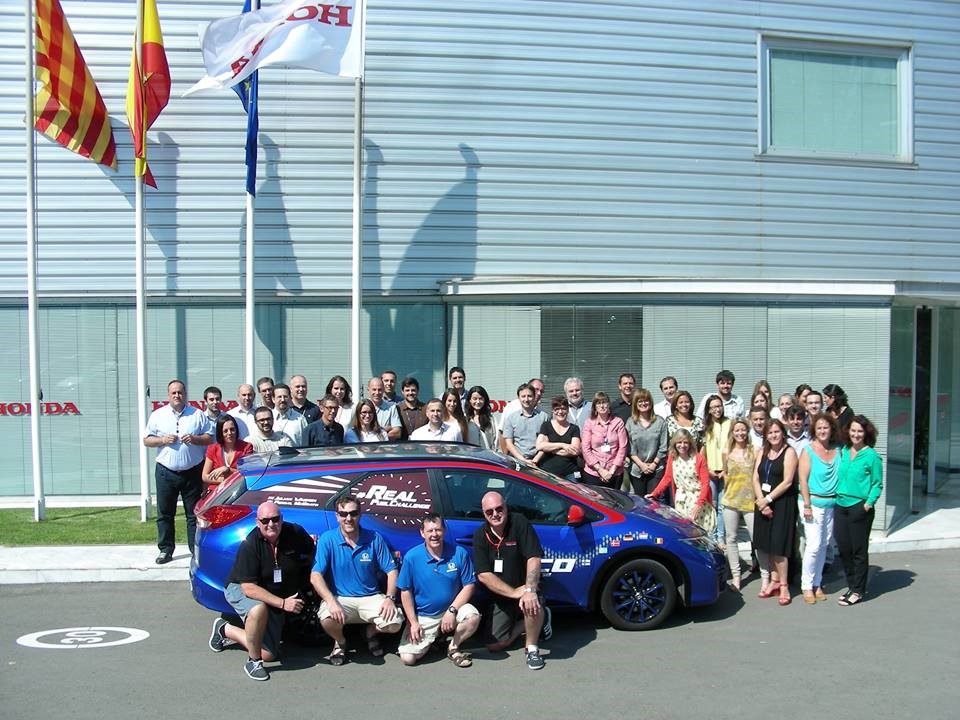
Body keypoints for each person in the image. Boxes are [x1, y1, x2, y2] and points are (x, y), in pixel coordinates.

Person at [209, 502, 314, 681]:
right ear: (258, 522)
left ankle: (225, 629)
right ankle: (253, 661)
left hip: (270, 590)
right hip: (241, 587)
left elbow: (312, 550)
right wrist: (283, 603)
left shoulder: (295, 533)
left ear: (282, 519)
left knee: (269, 654)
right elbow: (248, 588)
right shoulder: (250, 545)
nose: (271, 524)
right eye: (265, 520)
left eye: (275, 519)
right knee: (258, 609)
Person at [310, 495, 403, 665]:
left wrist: (390, 598)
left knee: (395, 622)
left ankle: (370, 633)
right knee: (326, 619)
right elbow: (315, 576)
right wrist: (330, 601)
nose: (348, 518)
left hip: (371, 597)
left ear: (360, 514)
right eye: (343, 514)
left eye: (353, 513)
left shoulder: (374, 538)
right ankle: (340, 642)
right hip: (340, 599)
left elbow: (392, 571)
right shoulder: (327, 539)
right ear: (337, 516)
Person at [473, 491, 551, 670]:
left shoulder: (519, 522)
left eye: (499, 509)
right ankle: (541, 618)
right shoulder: (480, 536)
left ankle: (532, 649)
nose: (495, 514)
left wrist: (530, 590)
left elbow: (534, 557)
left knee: (531, 602)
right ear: (484, 514)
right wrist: (514, 593)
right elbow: (483, 574)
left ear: (506, 507)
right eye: (489, 511)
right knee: (495, 645)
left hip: (527, 588)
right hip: (503, 596)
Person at [143, 379, 214, 564]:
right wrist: (162, 440)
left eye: (180, 392)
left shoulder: (197, 415)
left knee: (193, 514)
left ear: (185, 394)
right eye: (173, 393)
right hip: (166, 472)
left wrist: (195, 439)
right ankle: (166, 550)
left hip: (192, 472)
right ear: (168, 395)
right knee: (165, 513)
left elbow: (209, 438)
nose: (177, 396)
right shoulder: (158, 415)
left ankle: (194, 550)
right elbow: (147, 440)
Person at [397, 513, 480, 668]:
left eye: (438, 530)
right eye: (430, 531)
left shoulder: (459, 553)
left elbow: (469, 585)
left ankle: (453, 647)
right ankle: (436, 638)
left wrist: (452, 610)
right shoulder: (412, 557)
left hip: (453, 610)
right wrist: (413, 623)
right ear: (422, 533)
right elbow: (405, 591)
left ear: (444, 531)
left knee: (473, 617)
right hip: (425, 615)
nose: (434, 534)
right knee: (408, 659)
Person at [834, 415, 883, 607]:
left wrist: (868, 503)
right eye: (853, 430)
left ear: (866, 433)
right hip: (841, 505)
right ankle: (851, 585)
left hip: (859, 508)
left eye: (860, 431)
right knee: (845, 549)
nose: (856, 434)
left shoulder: (871, 456)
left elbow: (877, 484)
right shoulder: (845, 451)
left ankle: (858, 590)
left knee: (858, 551)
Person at [752, 419, 799, 606]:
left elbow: (787, 481)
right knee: (767, 545)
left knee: (779, 547)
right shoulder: (762, 451)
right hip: (763, 503)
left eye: (776, 432)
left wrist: (768, 500)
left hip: (781, 504)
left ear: (782, 432)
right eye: (770, 433)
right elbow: (755, 477)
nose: (773, 435)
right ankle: (773, 581)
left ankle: (784, 585)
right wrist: (761, 502)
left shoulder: (789, 452)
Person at [798, 413, 840, 604]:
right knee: (813, 545)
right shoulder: (808, 451)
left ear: (831, 430)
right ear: (814, 430)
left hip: (831, 504)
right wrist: (807, 505)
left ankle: (817, 583)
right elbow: (803, 480)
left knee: (825, 543)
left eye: (826, 427)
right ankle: (806, 586)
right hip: (812, 504)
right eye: (819, 428)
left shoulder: (838, 450)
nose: (823, 431)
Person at [645, 430, 716, 535]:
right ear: (674, 443)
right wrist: (654, 494)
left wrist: (698, 505)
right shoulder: (673, 458)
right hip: (681, 501)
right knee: (684, 533)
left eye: (685, 442)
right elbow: (667, 478)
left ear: (690, 443)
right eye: (679, 442)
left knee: (698, 534)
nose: (682, 445)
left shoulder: (698, 458)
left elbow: (705, 483)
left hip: (698, 501)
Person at [721, 419, 758, 590]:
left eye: (743, 430)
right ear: (732, 432)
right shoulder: (727, 452)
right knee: (731, 538)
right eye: (737, 430)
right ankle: (736, 576)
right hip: (731, 500)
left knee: (756, 537)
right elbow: (726, 475)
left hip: (750, 501)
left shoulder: (754, 451)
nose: (740, 433)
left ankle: (765, 574)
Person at [625, 388, 668, 495]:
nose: (643, 403)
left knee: (652, 500)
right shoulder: (630, 423)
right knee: (639, 501)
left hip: (656, 468)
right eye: (640, 401)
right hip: (636, 469)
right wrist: (642, 465)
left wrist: (654, 464)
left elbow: (664, 446)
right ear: (635, 404)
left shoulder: (660, 422)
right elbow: (629, 448)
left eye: (646, 400)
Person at [581, 391, 628, 488]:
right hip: (593, 473)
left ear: (609, 405)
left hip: (614, 473)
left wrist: (611, 471)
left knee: (614, 502)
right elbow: (585, 448)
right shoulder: (589, 423)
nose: (602, 406)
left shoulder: (618, 422)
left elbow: (623, 447)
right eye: (599, 403)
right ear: (595, 407)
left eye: (604, 402)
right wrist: (600, 470)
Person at [701, 394, 731, 544]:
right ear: (708, 409)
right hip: (710, 471)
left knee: (722, 506)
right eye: (713, 407)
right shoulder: (705, 426)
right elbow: (702, 451)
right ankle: (711, 536)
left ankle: (721, 537)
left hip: (726, 471)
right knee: (711, 505)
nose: (716, 409)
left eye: (719, 406)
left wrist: (726, 469)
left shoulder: (729, 423)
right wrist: (707, 470)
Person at [535, 396, 582, 481]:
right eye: (557, 409)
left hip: (570, 473)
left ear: (567, 410)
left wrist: (550, 448)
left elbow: (575, 451)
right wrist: (563, 445)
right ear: (553, 410)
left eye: (563, 408)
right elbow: (539, 446)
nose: (560, 412)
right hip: (548, 472)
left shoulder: (574, 428)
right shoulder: (546, 426)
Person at [202, 414, 253, 489]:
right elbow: (205, 476)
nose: (229, 433)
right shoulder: (212, 449)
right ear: (220, 433)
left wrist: (228, 470)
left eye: (232, 429)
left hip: (239, 489)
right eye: (225, 431)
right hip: (217, 491)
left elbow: (248, 473)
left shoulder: (247, 447)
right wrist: (226, 480)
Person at [501, 383, 548, 464]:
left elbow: (546, 441)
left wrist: (535, 460)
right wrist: (523, 460)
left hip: (538, 461)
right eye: (523, 396)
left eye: (529, 396)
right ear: (518, 398)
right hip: (517, 461)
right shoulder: (511, 418)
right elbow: (509, 444)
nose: (526, 399)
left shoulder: (544, 417)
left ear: (534, 397)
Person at [464, 385, 498, 449]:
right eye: (475, 399)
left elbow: (496, 440)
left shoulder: (491, 419)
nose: (478, 402)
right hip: (470, 456)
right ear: (470, 400)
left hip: (486, 456)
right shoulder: (465, 419)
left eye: (480, 398)